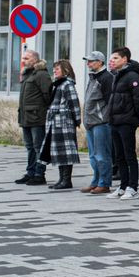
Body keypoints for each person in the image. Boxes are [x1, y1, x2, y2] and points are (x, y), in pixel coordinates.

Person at [106, 48, 139, 200]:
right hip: (115, 120)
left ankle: (133, 187)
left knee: (129, 155)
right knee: (119, 156)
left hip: (126, 121)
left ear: (125, 59)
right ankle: (123, 186)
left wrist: (135, 118)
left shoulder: (132, 76)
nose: (113, 61)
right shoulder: (117, 75)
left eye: (116, 58)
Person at [42, 59, 82, 190]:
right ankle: (62, 179)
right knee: (59, 151)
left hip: (64, 122)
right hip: (56, 121)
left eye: (57, 69)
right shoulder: (58, 84)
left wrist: (77, 120)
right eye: (53, 69)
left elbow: (74, 103)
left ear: (65, 70)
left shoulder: (67, 84)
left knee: (66, 151)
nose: (54, 71)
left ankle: (66, 180)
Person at [16, 49, 53, 186]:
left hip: (37, 118)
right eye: (23, 58)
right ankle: (30, 172)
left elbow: (48, 95)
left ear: (35, 59)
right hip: (26, 117)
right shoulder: (27, 74)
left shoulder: (42, 74)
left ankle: (39, 174)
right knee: (30, 147)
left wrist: (41, 111)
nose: (23, 61)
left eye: (26, 58)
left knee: (38, 147)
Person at [80, 51, 114, 194]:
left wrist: (103, 118)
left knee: (102, 155)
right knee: (93, 155)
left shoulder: (106, 78)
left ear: (100, 62)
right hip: (90, 122)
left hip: (101, 123)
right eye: (88, 61)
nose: (88, 64)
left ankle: (104, 183)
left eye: (91, 61)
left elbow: (109, 102)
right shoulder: (93, 77)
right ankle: (96, 180)